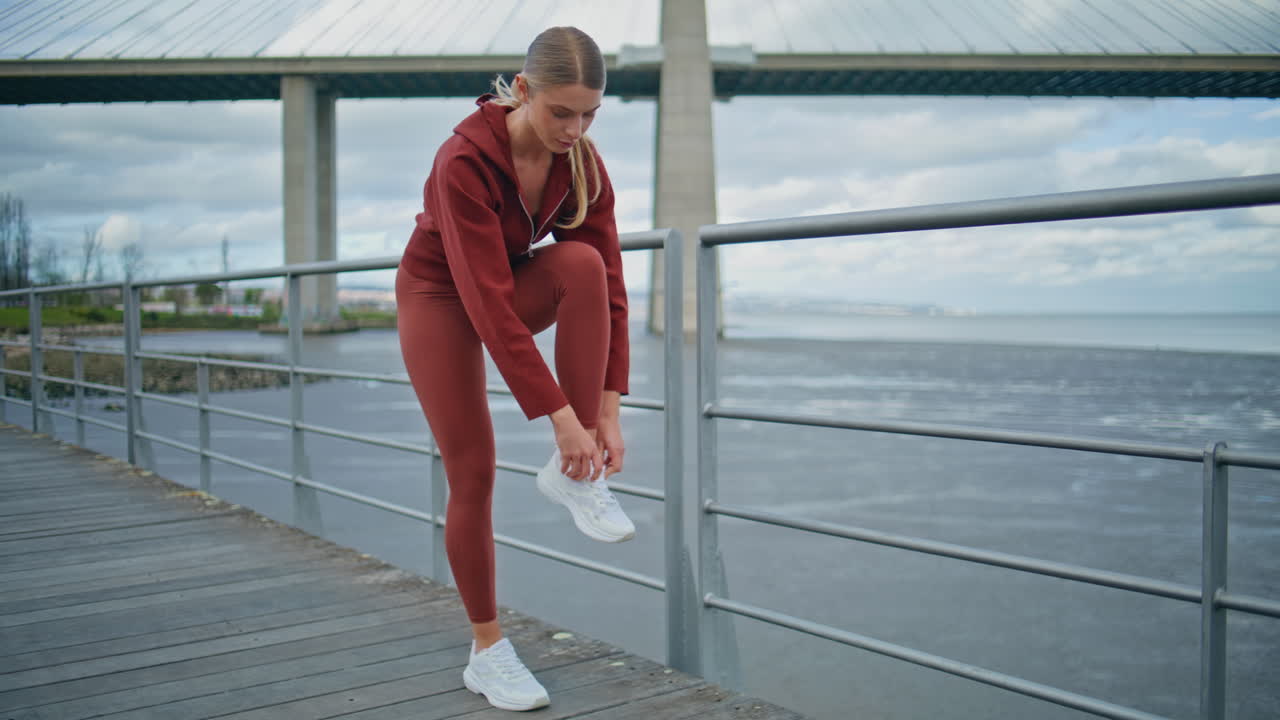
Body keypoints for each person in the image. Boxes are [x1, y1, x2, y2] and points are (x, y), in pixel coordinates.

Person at [395, 26, 635, 712]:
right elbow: (488, 307)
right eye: (561, 112)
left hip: (503, 285)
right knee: (472, 470)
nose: (575, 128)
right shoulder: (462, 161)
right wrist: (560, 419)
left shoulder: (581, 162)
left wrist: (606, 413)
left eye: (590, 113)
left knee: (584, 265)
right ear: (522, 91)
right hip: (440, 294)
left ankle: (575, 475)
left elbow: (609, 287)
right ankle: (488, 652)